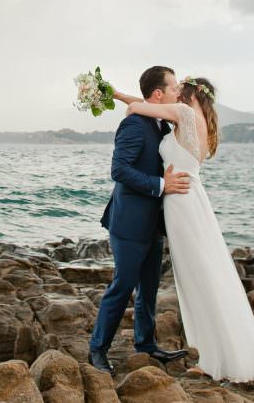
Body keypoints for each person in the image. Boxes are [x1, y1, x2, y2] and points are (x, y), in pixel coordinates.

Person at [117, 76, 254, 403]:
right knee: (204, 277)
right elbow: (149, 106)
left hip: (181, 203)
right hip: (192, 202)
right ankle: (214, 358)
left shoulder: (182, 113)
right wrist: (113, 93)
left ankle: (216, 360)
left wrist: (124, 104)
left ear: (191, 93)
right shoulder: (203, 123)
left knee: (198, 279)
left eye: (182, 86)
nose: (177, 88)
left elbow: (141, 107)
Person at [87, 66, 192, 374]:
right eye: (173, 88)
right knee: (123, 285)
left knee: (149, 288)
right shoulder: (134, 125)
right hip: (129, 222)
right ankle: (97, 350)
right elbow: (119, 170)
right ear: (158, 94)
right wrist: (162, 185)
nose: (178, 93)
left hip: (154, 223)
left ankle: (146, 345)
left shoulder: (160, 123)